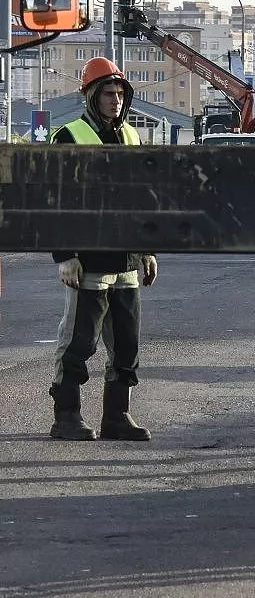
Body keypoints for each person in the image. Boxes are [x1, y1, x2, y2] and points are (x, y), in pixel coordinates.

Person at [48, 57, 155, 442]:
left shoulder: (131, 136)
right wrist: (65, 255)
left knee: (126, 344)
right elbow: (54, 200)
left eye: (120, 94)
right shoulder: (68, 136)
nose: (116, 101)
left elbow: (140, 199)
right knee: (78, 342)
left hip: (125, 258)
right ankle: (67, 415)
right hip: (87, 260)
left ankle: (116, 417)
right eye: (108, 94)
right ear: (92, 96)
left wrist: (146, 250)